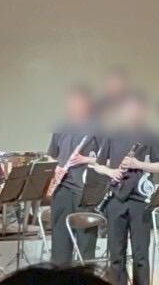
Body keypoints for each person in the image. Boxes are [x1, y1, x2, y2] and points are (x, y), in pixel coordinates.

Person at [96, 93, 159, 285]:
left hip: (140, 201)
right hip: (115, 200)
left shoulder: (151, 136)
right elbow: (97, 165)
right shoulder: (113, 134)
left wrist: (139, 164)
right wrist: (111, 172)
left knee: (141, 255)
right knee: (116, 255)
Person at [49, 87, 104, 268]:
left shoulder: (98, 128)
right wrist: (56, 168)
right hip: (62, 188)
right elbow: (52, 156)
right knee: (60, 242)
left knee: (85, 242)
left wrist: (85, 159)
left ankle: (85, 276)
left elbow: (109, 160)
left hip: (84, 189)